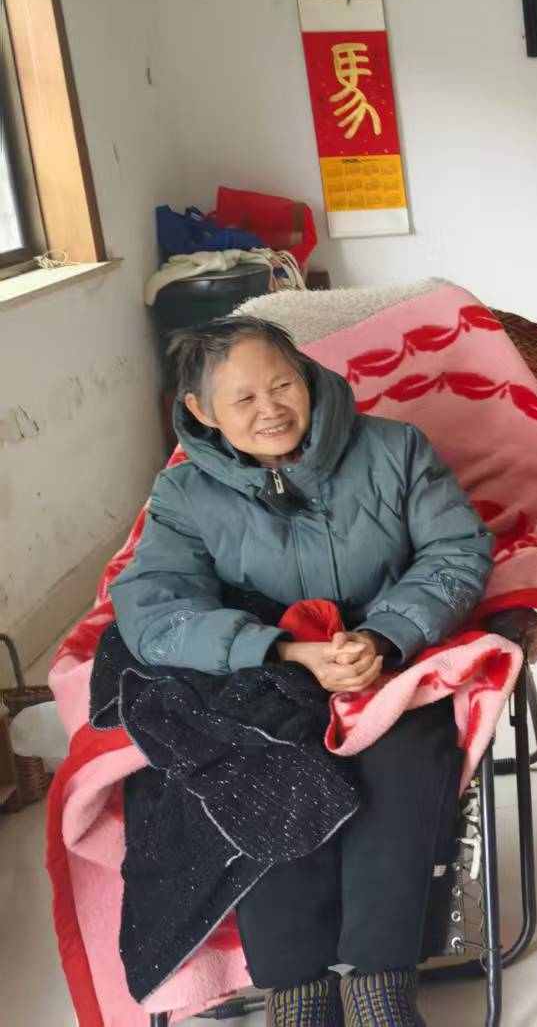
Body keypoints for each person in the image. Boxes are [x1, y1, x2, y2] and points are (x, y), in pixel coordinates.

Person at [111, 315, 494, 1027]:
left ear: (308, 377)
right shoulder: (184, 495)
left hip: (386, 659)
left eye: (283, 384)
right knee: (256, 765)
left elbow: (457, 550)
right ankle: (297, 990)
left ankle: (381, 984)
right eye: (243, 398)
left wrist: (384, 636)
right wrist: (277, 649)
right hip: (262, 674)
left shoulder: (396, 448)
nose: (271, 409)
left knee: (406, 752)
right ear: (201, 411)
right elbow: (154, 606)